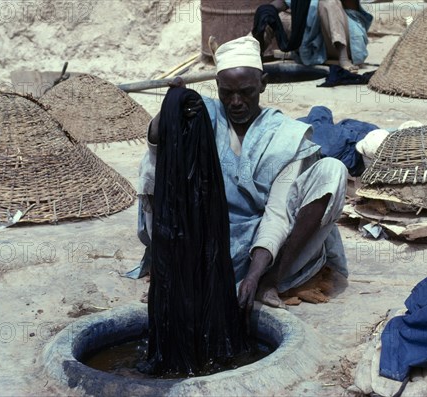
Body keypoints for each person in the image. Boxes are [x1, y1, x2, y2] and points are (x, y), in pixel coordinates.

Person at [138, 35, 348, 313]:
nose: (236, 102)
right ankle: (172, 272)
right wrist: (170, 108)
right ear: (218, 87)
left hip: (263, 245)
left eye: (246, 92)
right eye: (227, 93)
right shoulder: (204, 114)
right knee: (151, 163)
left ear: (263, 83)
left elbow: (277, 214)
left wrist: (255, 276)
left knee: (332, 170)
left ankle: (270, 283)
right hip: (198, 237)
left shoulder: (283, 135)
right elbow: (157, 143)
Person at [266, 0, 373, 73]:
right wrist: (268, 9)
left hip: (347, 40)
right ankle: (254, 52)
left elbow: (351, 4)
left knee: (328, 1)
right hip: (318, 45)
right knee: (273, 15)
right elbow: (284, 3)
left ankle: (343, 58)